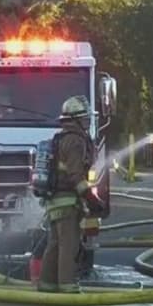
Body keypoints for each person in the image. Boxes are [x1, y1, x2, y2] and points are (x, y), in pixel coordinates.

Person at [37, 96, 105, 294]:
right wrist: (92, 199)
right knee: (69, 243)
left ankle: (47, 283)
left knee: (55, 243)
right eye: (84, 118)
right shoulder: (75, 141)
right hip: (67, 200)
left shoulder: (61, 138)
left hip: (54, 199)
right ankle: (67, 284)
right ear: (75, 119)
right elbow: (75, 174)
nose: (87, 121)